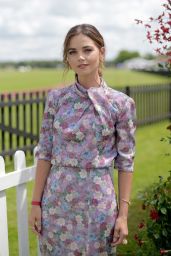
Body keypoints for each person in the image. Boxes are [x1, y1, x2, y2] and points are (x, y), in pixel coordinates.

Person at [29, 23, 136, 256]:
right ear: (66, 58)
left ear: (102, 51)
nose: (80, 57)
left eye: (87, 50)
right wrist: (35, 204)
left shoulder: (121, 104)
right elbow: (45, 152)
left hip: (98, 204)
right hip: (57, 202)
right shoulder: (56, 99)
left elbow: (126, 163)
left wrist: (123, 216)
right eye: (72, 52)